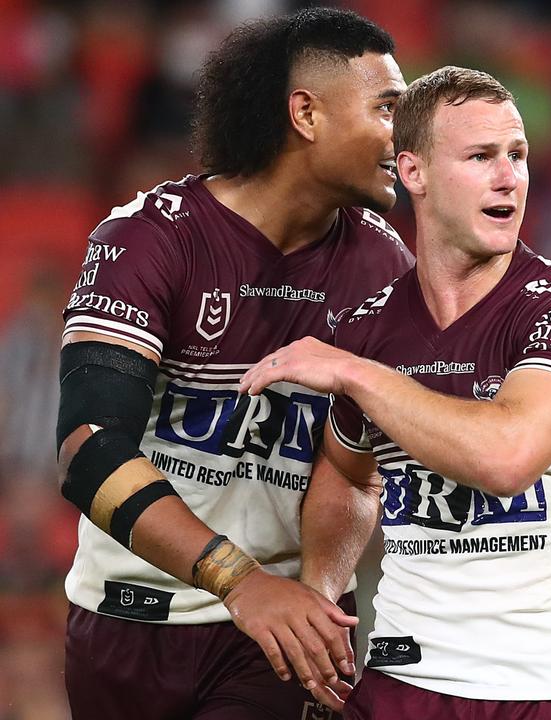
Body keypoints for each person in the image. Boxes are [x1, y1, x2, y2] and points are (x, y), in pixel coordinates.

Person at [238, 66, 551, 718]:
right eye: (481, 157)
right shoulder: (369, 328)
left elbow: (506, 458)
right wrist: (321, 599)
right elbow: (347, 474)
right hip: (397, 686)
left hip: (544, 690)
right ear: (413, 174)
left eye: (518, 156)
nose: (509, 176)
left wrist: (359, 375)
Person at [57, 8, 413, 718]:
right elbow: (88, 451)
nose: (404, 137)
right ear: (306, 114)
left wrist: (317, 593)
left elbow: (353, 470)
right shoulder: (147, 240)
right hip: (126, 624)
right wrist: (238, 580)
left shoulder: (385, 267)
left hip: (273, 637)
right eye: (386, 108)